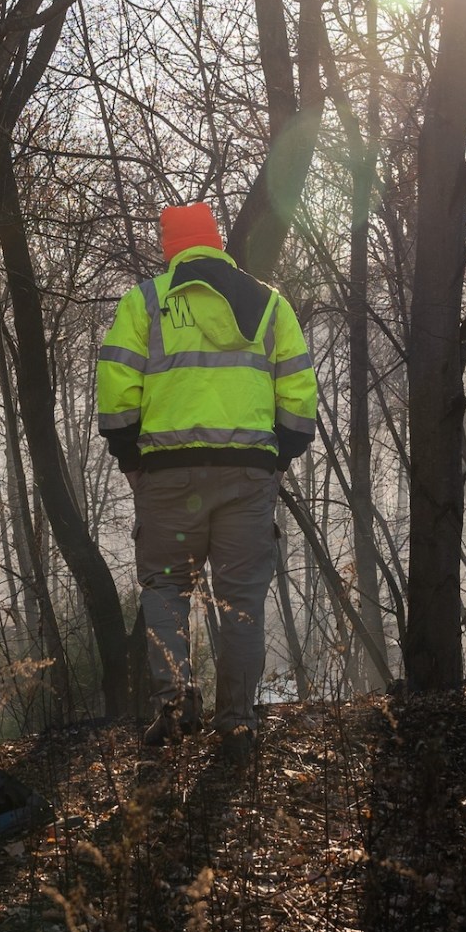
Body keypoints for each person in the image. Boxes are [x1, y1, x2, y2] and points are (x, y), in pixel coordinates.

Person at [96, 203, 318, 749]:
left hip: (167, 477)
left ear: (171, 247)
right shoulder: (269, 304)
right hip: (247, 476)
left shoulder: (145, 302)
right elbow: (298, 392)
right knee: (242, 599)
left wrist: (131, 458)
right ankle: (238, 719)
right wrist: (278, 456)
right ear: (217, 242)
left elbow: (117, 389)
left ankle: (173, 710)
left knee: (166, 591)